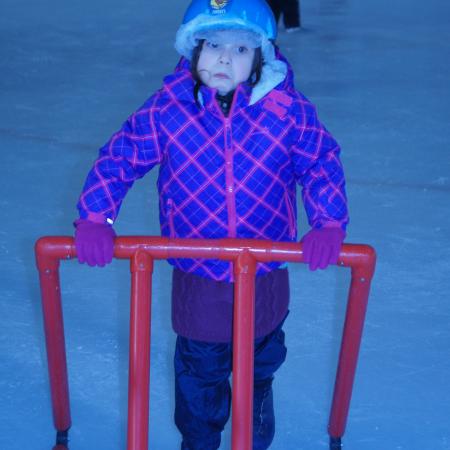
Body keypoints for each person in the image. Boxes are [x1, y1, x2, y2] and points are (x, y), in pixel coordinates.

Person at [74, 0, 348, 448]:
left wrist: (328, 222)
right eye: (214, 45)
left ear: (260, 57)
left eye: (240, 49)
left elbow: (320, 163)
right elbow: (120, 158)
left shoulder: (287, 111)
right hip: (198, 272)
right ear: (194, 49)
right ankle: (199, 441)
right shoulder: (168, 110)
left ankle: (254, 426)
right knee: (200, 371)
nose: (224, 58)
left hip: (264, 269)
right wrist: (94, 217)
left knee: (260, 361)